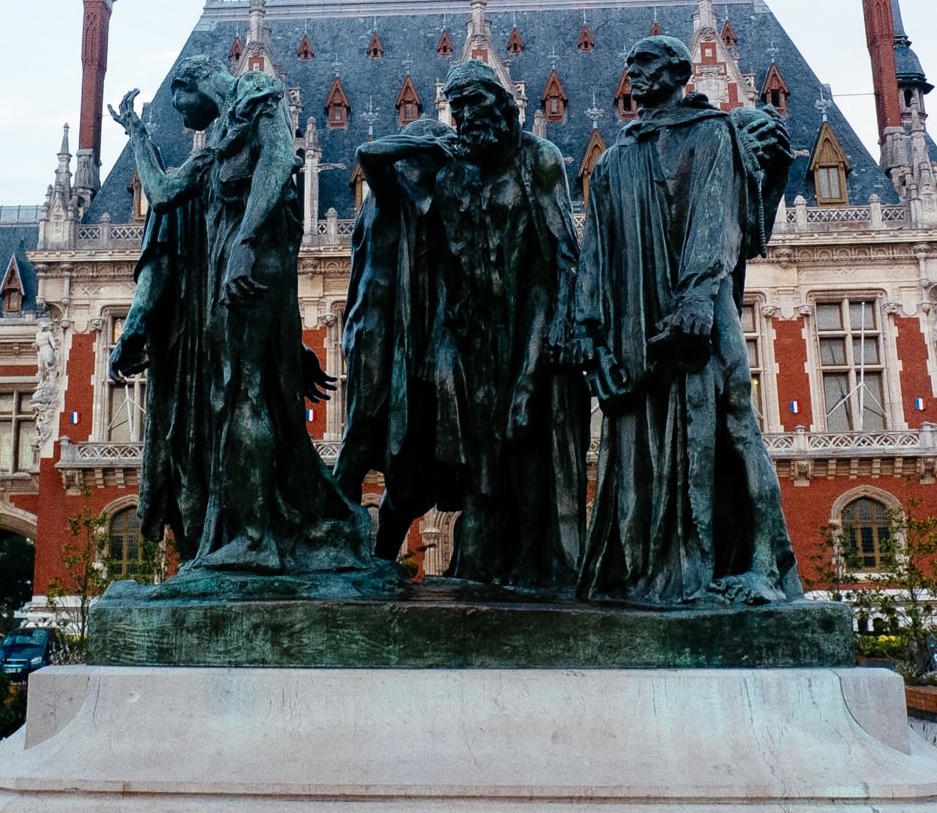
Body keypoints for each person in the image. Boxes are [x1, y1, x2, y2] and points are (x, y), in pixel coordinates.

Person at [108, 55, 372, 576]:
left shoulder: (257, 95)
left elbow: (277, 162)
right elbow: (162, 194)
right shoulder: (221, 135)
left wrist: (246, 242)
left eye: (181, 105)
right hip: (237, 275)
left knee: (241, 394)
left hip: (247, 269)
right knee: (236, 399)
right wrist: (138, 133)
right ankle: (254, 528)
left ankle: (255, 540)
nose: (184, 121)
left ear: (195, 84)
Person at [338, 61, 585, 592]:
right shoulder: (455, 176)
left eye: (476, 106)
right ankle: (479, 564)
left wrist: (551, 342)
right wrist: (442, 349)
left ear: (503, 105)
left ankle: (537, 570)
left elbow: (564, 258)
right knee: (478, 467)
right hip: (468, 342)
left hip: (530, 330)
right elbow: (449, 267)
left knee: (526, 447)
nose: (467, 119)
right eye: (459, 110)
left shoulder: (540, 160)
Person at [575, 35, 803, 606]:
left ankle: (767, 566)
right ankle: (649, 570)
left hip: (700, 313)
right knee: (635, 444)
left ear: (678, 71)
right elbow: (594, 259)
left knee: (734, 424)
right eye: (632, 66)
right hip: (635, 326)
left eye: (647, 64)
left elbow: (719, 222)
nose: (635, 75)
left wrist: (698, 297)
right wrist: (592, 337)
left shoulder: (711, 134)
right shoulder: (614, 161)